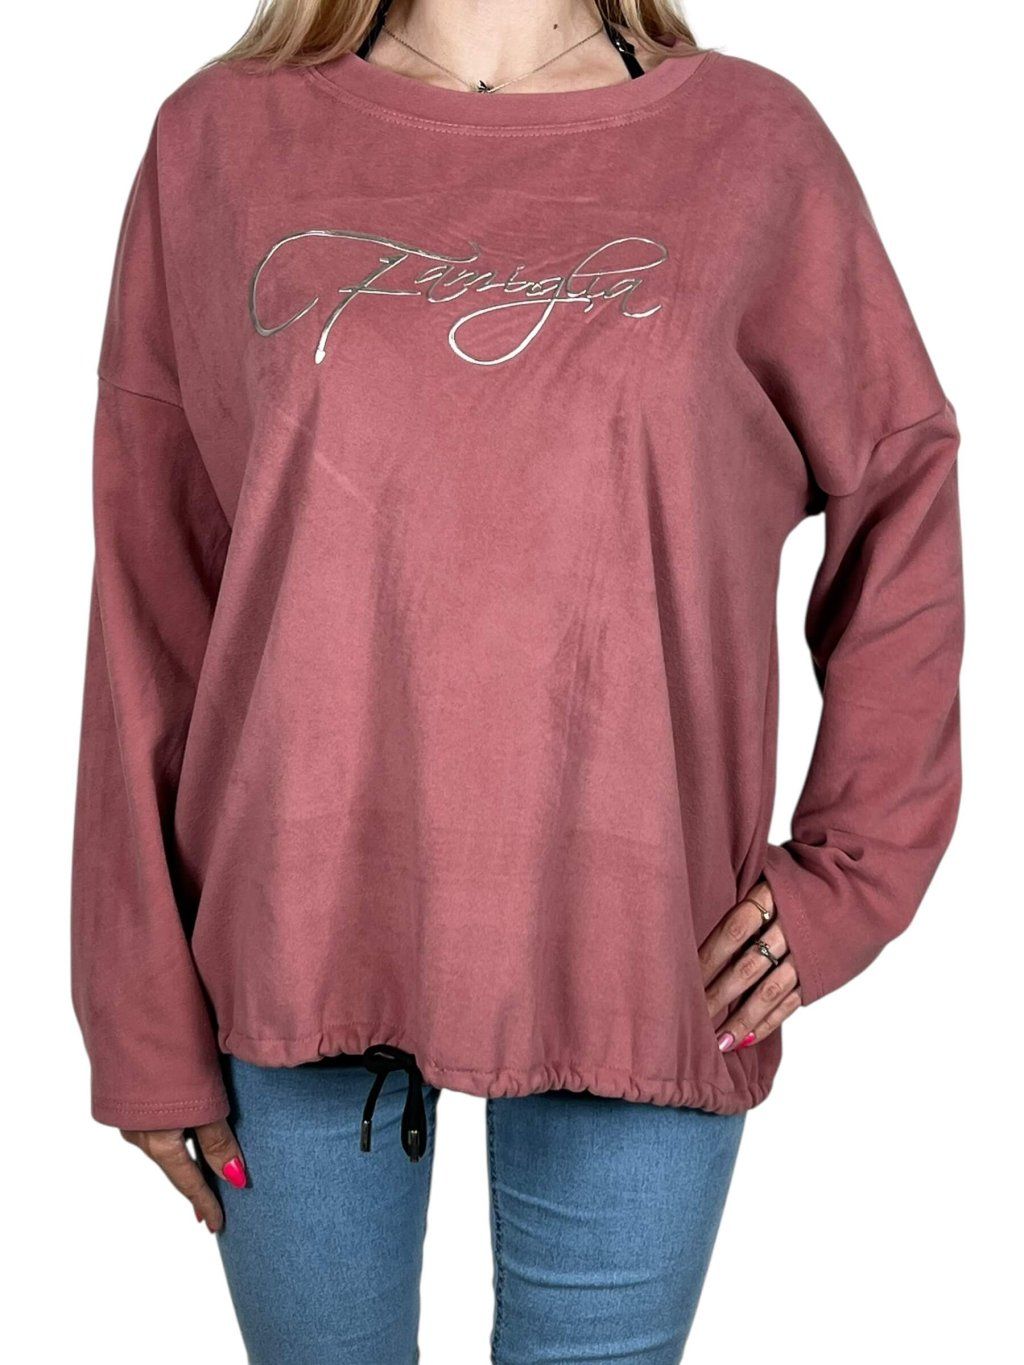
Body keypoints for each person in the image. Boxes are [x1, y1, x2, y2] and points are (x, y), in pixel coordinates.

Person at [70, 1, 964, 1360]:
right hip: (297, 928)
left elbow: (899, 482)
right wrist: (136, 1008)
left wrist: (855, 870)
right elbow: (151, 597)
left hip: (644, 945)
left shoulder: (751, 148)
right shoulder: (222, 140)